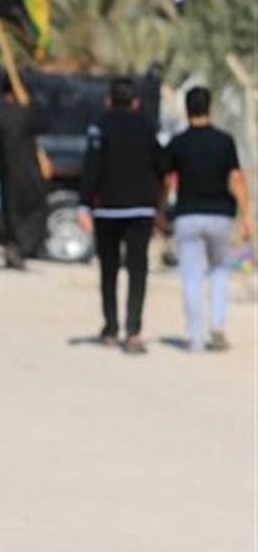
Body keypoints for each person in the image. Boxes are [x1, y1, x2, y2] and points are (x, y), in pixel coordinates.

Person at [78, 76, 166, 354]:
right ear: (135, 102)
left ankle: (111, 328)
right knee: (138, 270)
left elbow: (91, 167)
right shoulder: (147, 126)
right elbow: (162, 164)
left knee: (109, 270)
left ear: (108, 101)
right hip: (141, 209)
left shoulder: (100, 126)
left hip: (107, 209)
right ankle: (134, 331)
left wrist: (84, 205)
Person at [164, 86, 253, 351]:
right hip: (220, 215)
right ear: (210, 108)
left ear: (186, 109)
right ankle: (217, 325)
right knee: (219, 271)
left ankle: (195, 336)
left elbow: (166, 180)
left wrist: (160, 210)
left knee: (191, 275)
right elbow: (236, 179)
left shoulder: (178, 142)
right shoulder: (224, 141)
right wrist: (247, 215)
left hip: (187, 214)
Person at [0, 75, 51, 270]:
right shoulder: (25, 113)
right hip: (27, 172)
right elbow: (44, 124)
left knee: (11, 213)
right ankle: (22, 248)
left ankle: (14, 247)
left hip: (7, 173)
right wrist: (29, 105)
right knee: (32, 210)